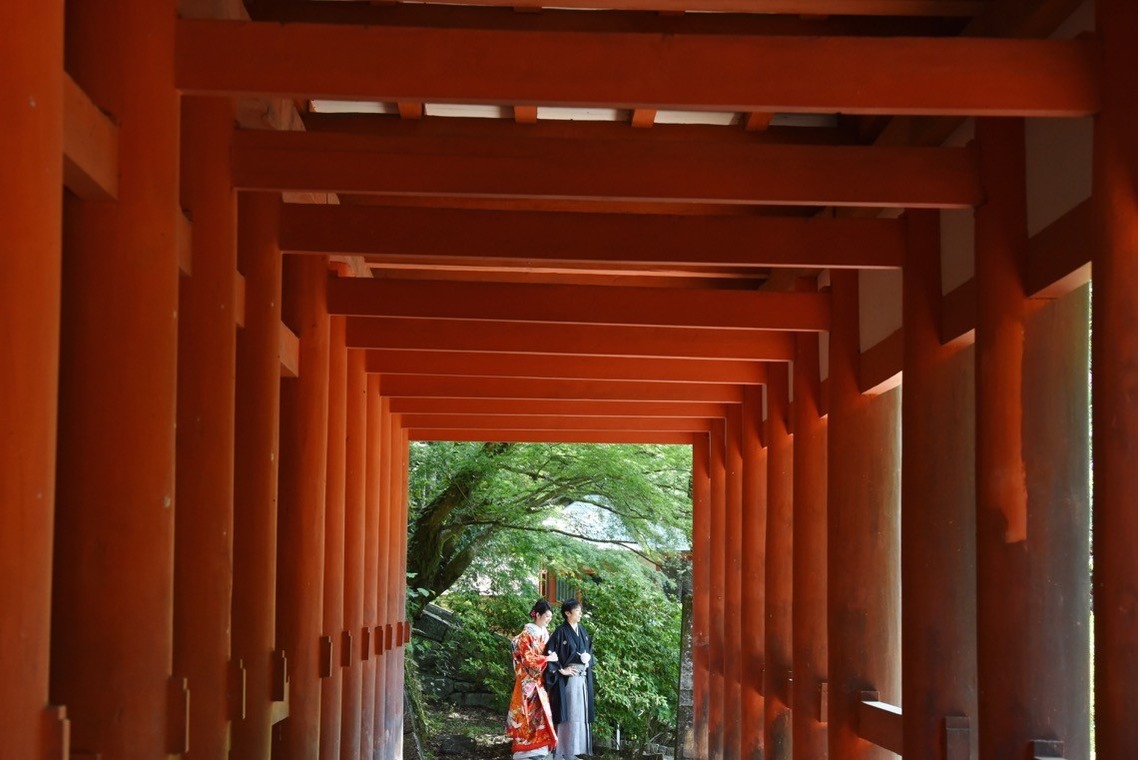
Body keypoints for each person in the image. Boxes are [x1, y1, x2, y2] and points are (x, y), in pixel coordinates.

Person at [506, 600, 560, 760]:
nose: (549, 619)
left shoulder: (546, 633)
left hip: (540, 680)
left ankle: (540, 747)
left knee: (542, 713)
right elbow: (527, 658)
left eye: (551, 616)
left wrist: (550, 660)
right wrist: (547, 659)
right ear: (537, 615)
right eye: (547, 616)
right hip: (528, 681)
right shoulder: (526, 634)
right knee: (526, 715)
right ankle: (524, 749)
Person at [545, 598, 595, 760]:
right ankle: (561, 752)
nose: (580, 614)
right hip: (569, 680)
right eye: (577, 611)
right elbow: (549, 653)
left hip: (582, 678)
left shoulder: (583, 631)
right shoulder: (560, 631)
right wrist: (561, 670)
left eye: (580, 611)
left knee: (580, 714)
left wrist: (588, 662)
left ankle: (573, 751)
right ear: (568, 613)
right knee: (568, 713)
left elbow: (589, 652)